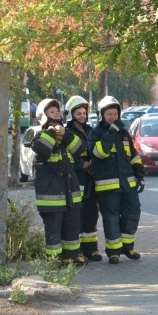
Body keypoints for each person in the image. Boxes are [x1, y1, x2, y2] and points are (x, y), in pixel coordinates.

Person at [87, 95, 146, 264]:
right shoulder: (96, 133)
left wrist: (140, 174)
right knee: (111, 218)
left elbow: (132, 155)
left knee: (133, 212)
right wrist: (110, 132)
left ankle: (128, 247)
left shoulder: (124, 133)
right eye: (109, 114)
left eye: (115, 114)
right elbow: (99, 153)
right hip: (107, 186)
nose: (113, 117)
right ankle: (114, 251)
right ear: (102, 115)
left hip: (128, 183)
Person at [30, 98, 87, 266]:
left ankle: (71, 256)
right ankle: (54, 259)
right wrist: (52, 133)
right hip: (51, 195)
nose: (56, 113)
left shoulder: (66, 137)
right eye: (52, 111)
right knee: (53, 229)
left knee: (72, 226)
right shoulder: (39, 136)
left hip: (70, 194)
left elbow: (81, 148)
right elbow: (42, 151)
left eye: (57, 111)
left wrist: (66, 134)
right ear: (43, 116)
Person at [64, 95, 102, 262]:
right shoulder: (67, 132)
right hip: (77, 179)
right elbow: (67, 156)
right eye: (78, 113)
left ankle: (91, 249)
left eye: (84, 113)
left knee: (91, 213)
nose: (82, 116)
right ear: (71, 114)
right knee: (76, 215)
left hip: (91, 180)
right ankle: (77, 250)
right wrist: (81, 165)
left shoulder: (89, 130)